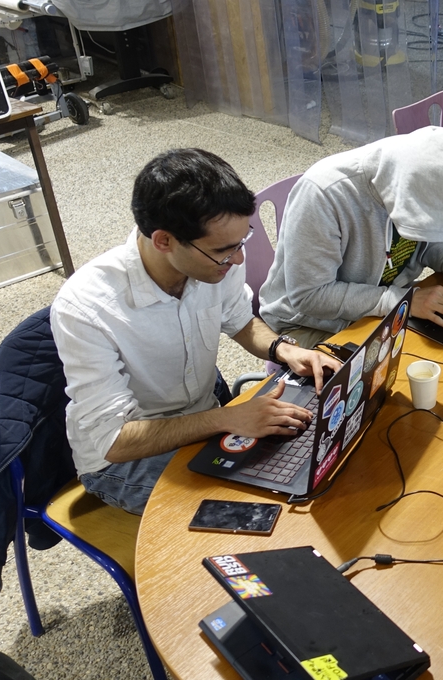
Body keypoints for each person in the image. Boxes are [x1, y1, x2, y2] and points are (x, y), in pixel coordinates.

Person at [51, 148, 342, 515]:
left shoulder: (215, 258)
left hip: (205, 420)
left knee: (313, 461)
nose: (238, 259)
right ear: (164, 241)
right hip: (126, 459)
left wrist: (283, 349)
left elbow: (239, 320)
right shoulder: (86, 307)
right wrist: (227, 419)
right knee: (262, 510)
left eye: (242, 242)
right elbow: (114, 441)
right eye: (224, 250)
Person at [258, 126, 443, 349]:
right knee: (410, 367)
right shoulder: (323, 194)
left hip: (381, 302)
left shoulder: (416, 175)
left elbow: (427, 234)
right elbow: (310, 296)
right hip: (306, 323)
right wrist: (401, 301)